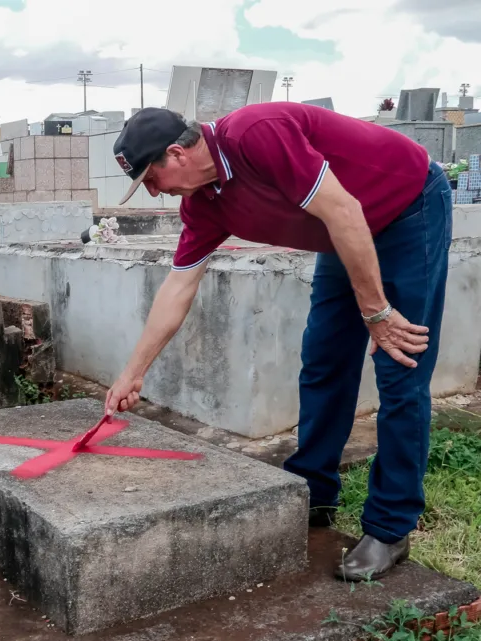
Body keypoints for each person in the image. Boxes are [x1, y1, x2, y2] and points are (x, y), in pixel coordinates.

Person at [104, 104, 452, 581]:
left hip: (406, 207)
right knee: (325, 361)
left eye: (151, 177)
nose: (153, 190)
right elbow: (178, 287)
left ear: (177, 153)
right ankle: (313, 489)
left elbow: (344, 208)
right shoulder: (204, 203)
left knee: (400, 362)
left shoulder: (256, 135)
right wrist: (134, 371)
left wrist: (377, 312)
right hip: (341, 232)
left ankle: (391, 525)